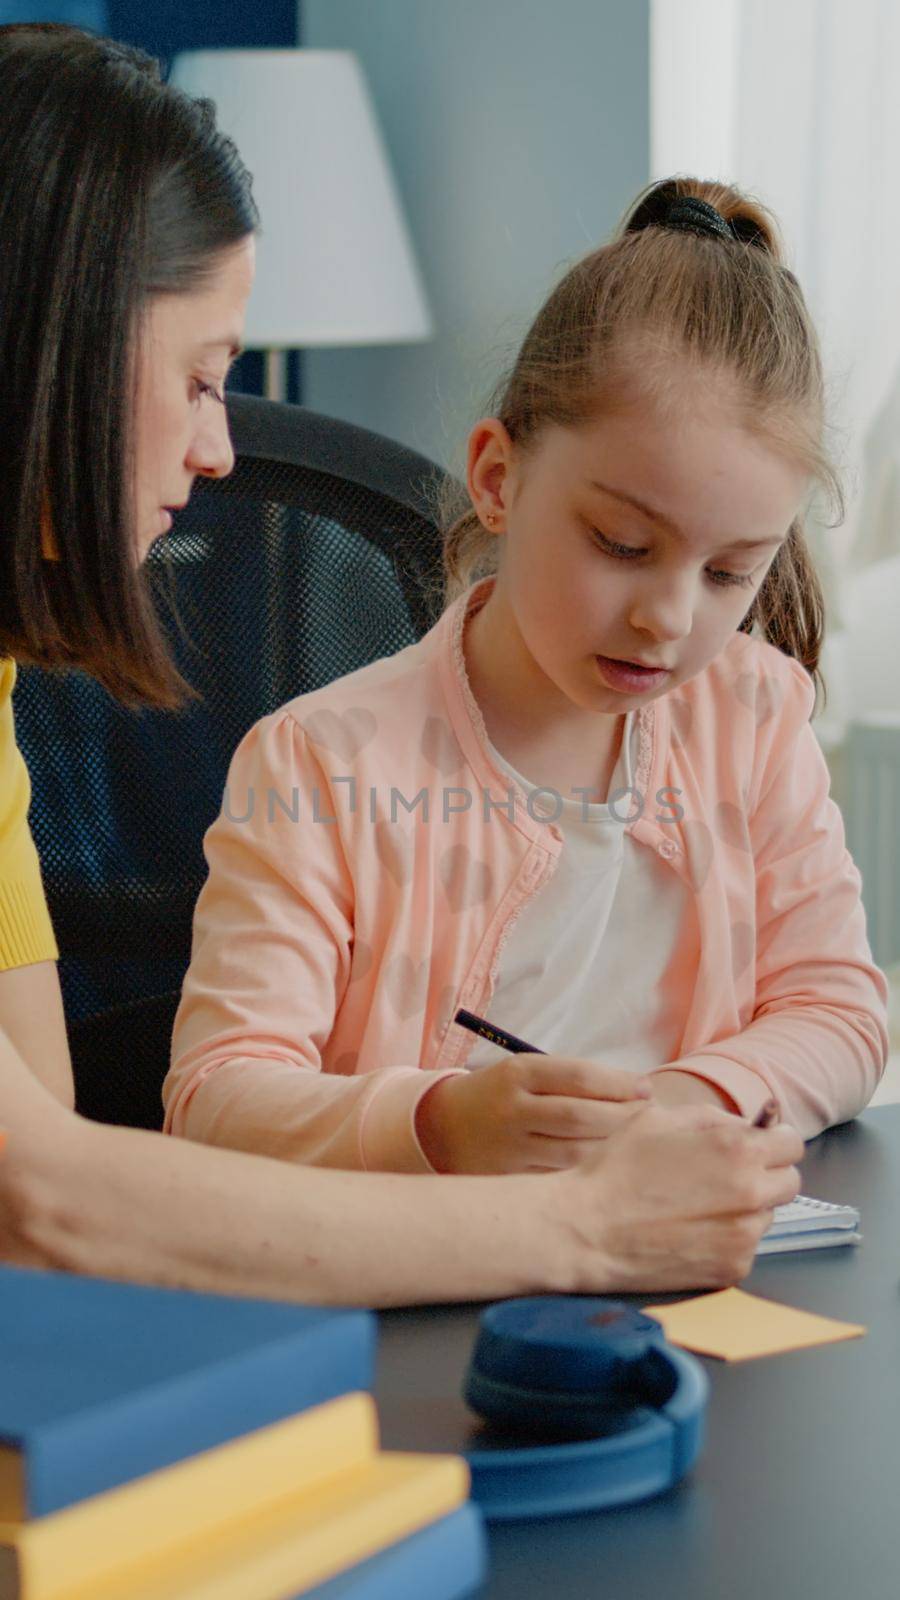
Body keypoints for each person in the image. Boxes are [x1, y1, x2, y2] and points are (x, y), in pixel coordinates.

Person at [0, 21, 804, 1306]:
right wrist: (584, 1229)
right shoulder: (328, 757)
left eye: (725, 571)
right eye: (204, 377)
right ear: (60, 350)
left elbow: (45, 1175)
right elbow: (39, 1206)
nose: (219, 451)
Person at [164, 178, 890, 1177]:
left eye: (730, 573)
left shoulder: (753, 719)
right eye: (622, 543)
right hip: (432, 1281)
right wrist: (440, 1123)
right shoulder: (320, 765)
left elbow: (842, 1012)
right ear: (498, 479)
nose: (668, 619)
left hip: (675, 1260)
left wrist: (677, 1105)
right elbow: (214, 1098)